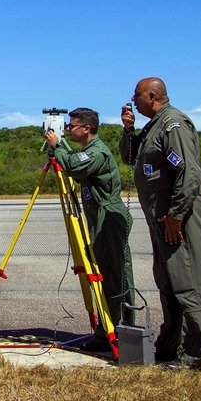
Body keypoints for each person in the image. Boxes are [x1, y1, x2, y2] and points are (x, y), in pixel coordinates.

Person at [120, 77, 201, 370]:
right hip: (162, 218)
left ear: (152, 95)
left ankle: (197, 355)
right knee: (168, 282)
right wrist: (128, 130)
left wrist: (176, 216)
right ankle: (171, 344)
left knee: (187, 283)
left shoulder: (174, 124)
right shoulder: (155, 125)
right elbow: (130, 158)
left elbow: (188, 174)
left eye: (137, 95)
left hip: (178, 217)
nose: (133, 100)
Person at [45, 106, 135, 351]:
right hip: (99, 218)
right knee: (109, 276)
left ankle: (114, 333)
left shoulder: (96, 153)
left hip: (108, 218)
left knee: (112, 278)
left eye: (72, 126)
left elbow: (73, 166)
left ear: (86, 128)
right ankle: (110, 330)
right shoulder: (86, 150)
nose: (68, 129)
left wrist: (58, 145)